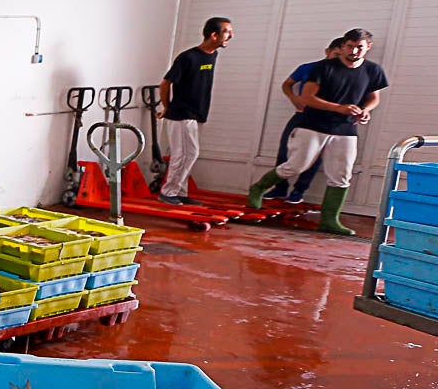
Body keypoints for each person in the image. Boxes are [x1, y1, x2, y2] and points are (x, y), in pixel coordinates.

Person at [247, 28, 387, 236]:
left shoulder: (373, 70)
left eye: (360, 47)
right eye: (350, 46)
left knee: (341, 175)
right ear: (343, 46)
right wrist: (339, 108)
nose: (354, 51)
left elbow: (374, 97)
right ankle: (258, 188)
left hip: (346, 129)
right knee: (296, 165)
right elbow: (307, 97)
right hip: (312, 124)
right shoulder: (323, 68)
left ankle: (330, 219)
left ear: (368, 47)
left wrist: (366, 110)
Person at [156, 17, 233, 204]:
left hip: (197, 114)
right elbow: (165, 83)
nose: (231, 35)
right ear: (214, 35)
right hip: (182, 113)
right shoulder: (188, 57)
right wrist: (167, 107)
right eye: (227, 32)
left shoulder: (213, 54)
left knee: (188, 155)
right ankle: (168, 192)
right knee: (184, 154)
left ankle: (180, 192)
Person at [263, 38, 343, 204]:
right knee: (285, 151)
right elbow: (287, 84)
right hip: (301, 117)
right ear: (327, 51)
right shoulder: (309, 68)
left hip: (325, 122)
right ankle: (279, 188)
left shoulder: (344, 74)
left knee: (314, 158)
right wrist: (294, 98)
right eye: (336, 54)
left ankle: (298, 191)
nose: (338, 59)